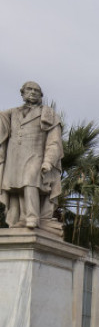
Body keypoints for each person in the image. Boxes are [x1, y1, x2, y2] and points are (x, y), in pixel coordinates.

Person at [0, 81, 63, 230]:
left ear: (41, 95)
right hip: (14, 158)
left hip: (36, 156)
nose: (33, 92)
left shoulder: (48, 114)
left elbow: (54, 142)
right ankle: (20, 218)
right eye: (29, 89)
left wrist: (49, 161)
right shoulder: (9, 114)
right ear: (22, 93)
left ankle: (32, 218)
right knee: (17, 188)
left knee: (30, 182)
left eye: (36, 90)